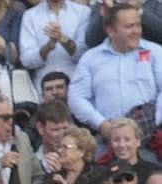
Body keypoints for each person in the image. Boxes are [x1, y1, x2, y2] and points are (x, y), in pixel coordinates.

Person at [68, 5, 162, 141]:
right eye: (129, 26)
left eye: (138, 25)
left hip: (150, 138)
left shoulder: (156, 52)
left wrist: (154, 122)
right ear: (111, 30)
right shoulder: (91, 58)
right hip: (109, 139)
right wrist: (101, 124)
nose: (136, 31)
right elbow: (76, 97)